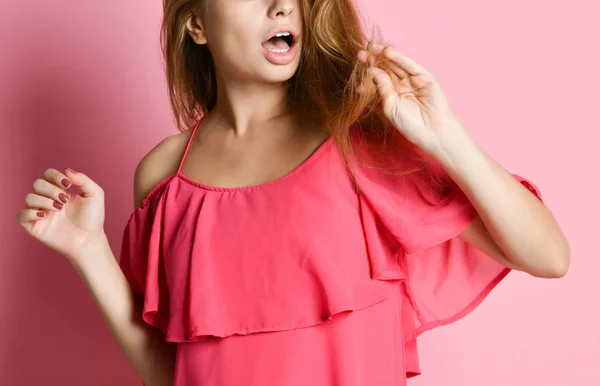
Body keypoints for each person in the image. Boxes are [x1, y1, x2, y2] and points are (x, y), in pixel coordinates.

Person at [16, 0, 570, 385]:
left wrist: (447, 138)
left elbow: (548, 255)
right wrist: (90, 252)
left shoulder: (359, 136)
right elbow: (175, 374)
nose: (282, 7)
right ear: (196, 25)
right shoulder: (163, 178)